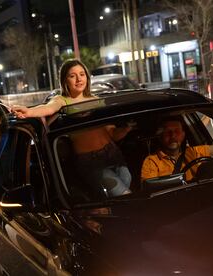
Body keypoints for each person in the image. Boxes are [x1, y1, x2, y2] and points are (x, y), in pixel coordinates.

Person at [12, 59, 132, 197]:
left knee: (126, 181)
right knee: (122, 193)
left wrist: (126, 129)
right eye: (72, 75)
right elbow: (47, 108)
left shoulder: (97, 100)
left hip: (112, 153)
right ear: (65, 80)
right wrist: (28, 111)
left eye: (82, 74)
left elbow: (111, 133)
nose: (78, 79)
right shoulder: (62, 100)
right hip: (90, 161)